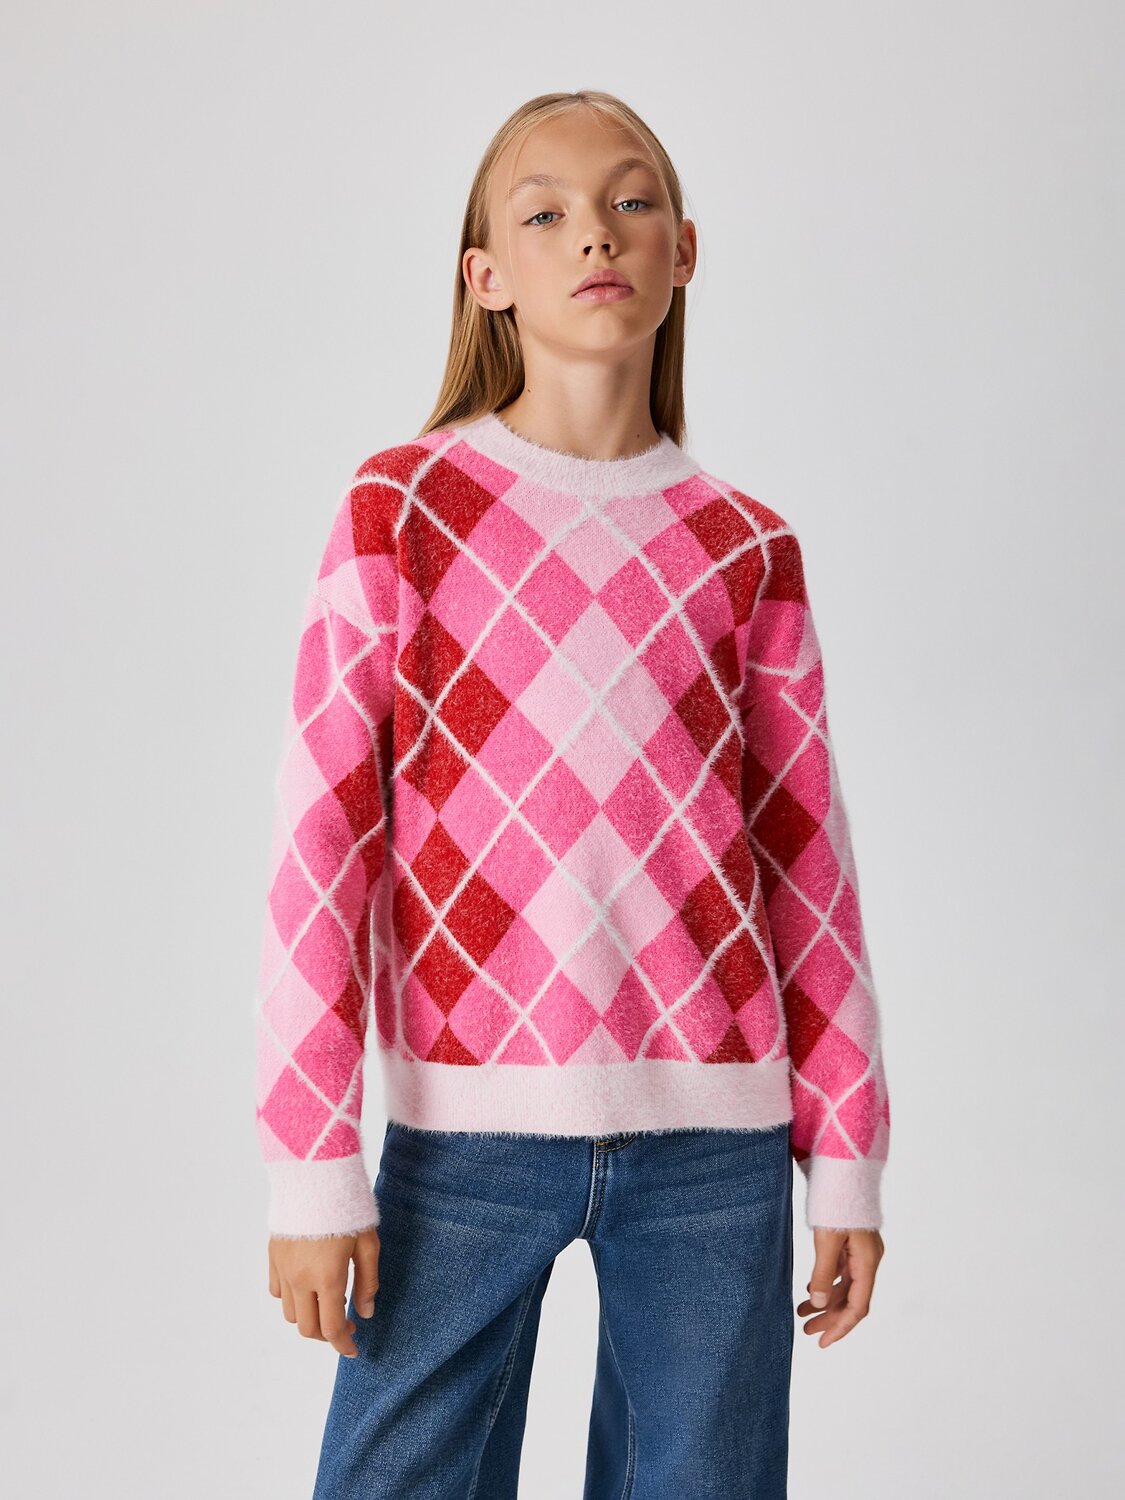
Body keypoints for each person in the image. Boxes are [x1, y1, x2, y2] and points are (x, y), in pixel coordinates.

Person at [253, 88, 890, 1499]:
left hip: (718, 1144)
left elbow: (806, 865)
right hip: (464, 1133)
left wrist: (845, 1153)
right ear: (485, 276)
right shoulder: (402, 511)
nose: (595, 232)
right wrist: (311, 1166)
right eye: (544, 213)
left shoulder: (746, 547)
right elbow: (323, 847)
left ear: (684, 250)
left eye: (631, 200)